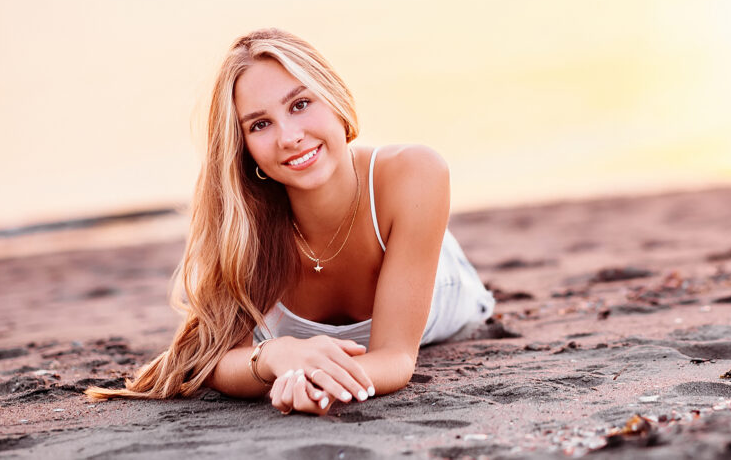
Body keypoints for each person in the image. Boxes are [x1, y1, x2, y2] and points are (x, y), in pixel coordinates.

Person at [86, 28, 494, 414]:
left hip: (447, 298)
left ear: (333, 98)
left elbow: (395, 357)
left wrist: (318, 382)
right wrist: (273, 358)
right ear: (242, 146)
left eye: (300, 104)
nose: (289, 136)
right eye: (260, 124)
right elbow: (214, 359)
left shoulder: (414, 174)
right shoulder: (244, 223)